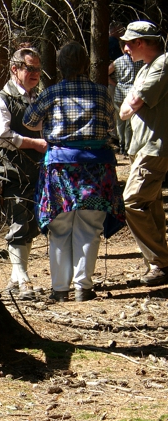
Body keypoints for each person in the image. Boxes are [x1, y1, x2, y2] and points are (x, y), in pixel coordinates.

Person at [23, 41, 125, 303]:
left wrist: (51, 125)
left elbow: (28, 121)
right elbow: (110, 125)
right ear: (84, 65)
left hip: (60, 168)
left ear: (59, 66)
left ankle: (59, 289)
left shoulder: (51, 93)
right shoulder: (102, 93)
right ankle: (83, 287)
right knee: (90, 227)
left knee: (60, 227)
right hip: (97, 166)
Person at [0, 47, 47, 299]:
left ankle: (16, 277)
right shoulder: (0, 100)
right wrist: (34, 144)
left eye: (37, 69)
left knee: (31, 221)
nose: (34, 74)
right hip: (10, 171)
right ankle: (22, 278)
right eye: (29, 68)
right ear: (15, 69)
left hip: (36, 170)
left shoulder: (39, 97)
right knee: (20, 220)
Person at [118, 21, 168, 286]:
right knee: (150, 204)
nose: (125, 48)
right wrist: (130, 106)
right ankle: (159, 262)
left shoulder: (162, 65)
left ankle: (161, 262)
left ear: (141, 42)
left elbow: (131, 105)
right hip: (143, 147)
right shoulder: (147, 69)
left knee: (132, 202)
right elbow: (125, 109)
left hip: (154, 147)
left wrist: (130, 106)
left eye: (128, 42)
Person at [108, 43, 144, 155]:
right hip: (132, 94)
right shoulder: (139, 61)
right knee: (129, 123)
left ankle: (121, 145)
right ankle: (127, 148)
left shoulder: (117, 61)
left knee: (120, 122)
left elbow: (106, 72)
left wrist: (115, 83)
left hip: (119, 93)